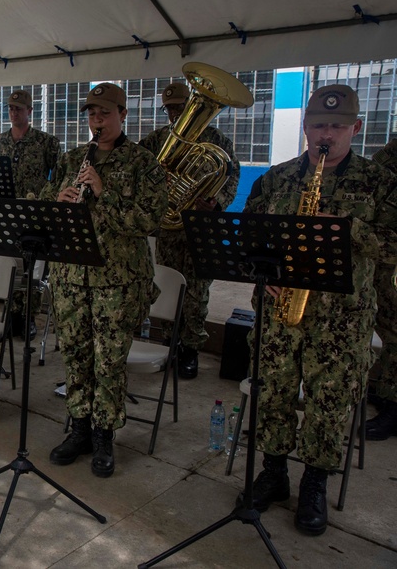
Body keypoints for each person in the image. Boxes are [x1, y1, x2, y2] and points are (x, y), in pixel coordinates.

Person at [242, 84, 397, 535]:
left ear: (356, 128)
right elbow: (249, 237)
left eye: (336, 126)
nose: (325, 134)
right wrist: (262, 272)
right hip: (280, 312)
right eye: (317, 125)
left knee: (329, 404)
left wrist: (350, 231)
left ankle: (314, 481)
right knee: (272, 393)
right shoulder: (277, 177)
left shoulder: (380, 183)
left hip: (341, 320)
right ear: (305, 127)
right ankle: (273, 473)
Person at [38, 83, 167, 478]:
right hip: (71, 276)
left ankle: (103, 437)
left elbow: (150, 220)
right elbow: (44, 201)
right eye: (92, 114)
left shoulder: (144, 163)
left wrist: (104, 192)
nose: (97, 120)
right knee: (75, 354)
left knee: (108, 361)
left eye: (105, 113)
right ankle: (77, 427)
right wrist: (55, 198)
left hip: (118, 281)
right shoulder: (72, 158)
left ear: (123, 115)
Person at [139, 81, 241, 379]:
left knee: (196, 292)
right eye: (170, 109)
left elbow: (231, 177)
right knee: (169, 285)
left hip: (201, 230)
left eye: (180, 108)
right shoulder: (157, 140)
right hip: (169, 229)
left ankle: (190, 349)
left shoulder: (217, 140)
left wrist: (216, 201)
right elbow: (140, 174)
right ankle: (169, 342)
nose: (174, 114)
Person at [0, 89, 61, 338]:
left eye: (19, 108)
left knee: (33, 267)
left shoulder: (46, 142)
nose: (14, 112)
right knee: (10, 264)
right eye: (10, 108)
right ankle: (11, 315)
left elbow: (59, 178)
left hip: (33, 214)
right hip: (5, 214)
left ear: (30, 110)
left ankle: (29, 317)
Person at [367, 136, 397, 439]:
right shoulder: (389, 155)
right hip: (379, 268)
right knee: (387, 331)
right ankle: (387, 392)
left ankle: (394, 410)